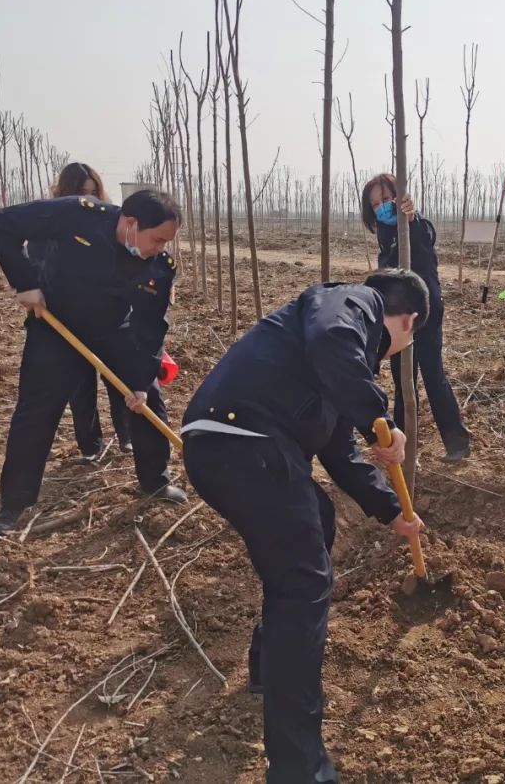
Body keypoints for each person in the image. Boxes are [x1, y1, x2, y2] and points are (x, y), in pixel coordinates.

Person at [181, 270, 428, 783]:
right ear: (408, 322)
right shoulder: (350, 305)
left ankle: (271, 667)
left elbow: (340, 453)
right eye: (407, 338)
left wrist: (391, 511)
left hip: (230, 446)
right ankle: (300, 769)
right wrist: (381, 417)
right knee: (304, 583)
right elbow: (334, 342)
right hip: (244, 440)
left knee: (315, 518)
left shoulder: (335, 362)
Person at [0, 190, 187, 535]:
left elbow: (151, 325)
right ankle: (13, 504)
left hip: (114, 329)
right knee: (37, 409)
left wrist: (139, 380)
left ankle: (155, 480)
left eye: (166, 242)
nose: (160, 248)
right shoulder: (78, 215)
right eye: (157, 239)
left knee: (150, 397)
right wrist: (25, 281)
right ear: (130, 222)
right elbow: (1, 223)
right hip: (56, 324)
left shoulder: (159, 266)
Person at [361, 173, 472, 463]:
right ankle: (403, 446)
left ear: (399, 198)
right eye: (375, 204)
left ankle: (457, 442)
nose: (381, 207)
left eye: (386, 200)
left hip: (426, 312)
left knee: (433, 376)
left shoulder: (415, 225)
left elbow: (425, 236)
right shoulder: (385, 236)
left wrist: (411, 217)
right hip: (397, 319)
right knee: (403, 380)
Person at [39, 162, 133, 459]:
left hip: (109, 314)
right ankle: (90, 446)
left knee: (120, 379)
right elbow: (37, 261)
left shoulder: (110, 220)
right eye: (81, 193)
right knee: (80, 385)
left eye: (94, 192)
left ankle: (127, 436)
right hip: (68, 316)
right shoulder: (51, 222)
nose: (89, 199)